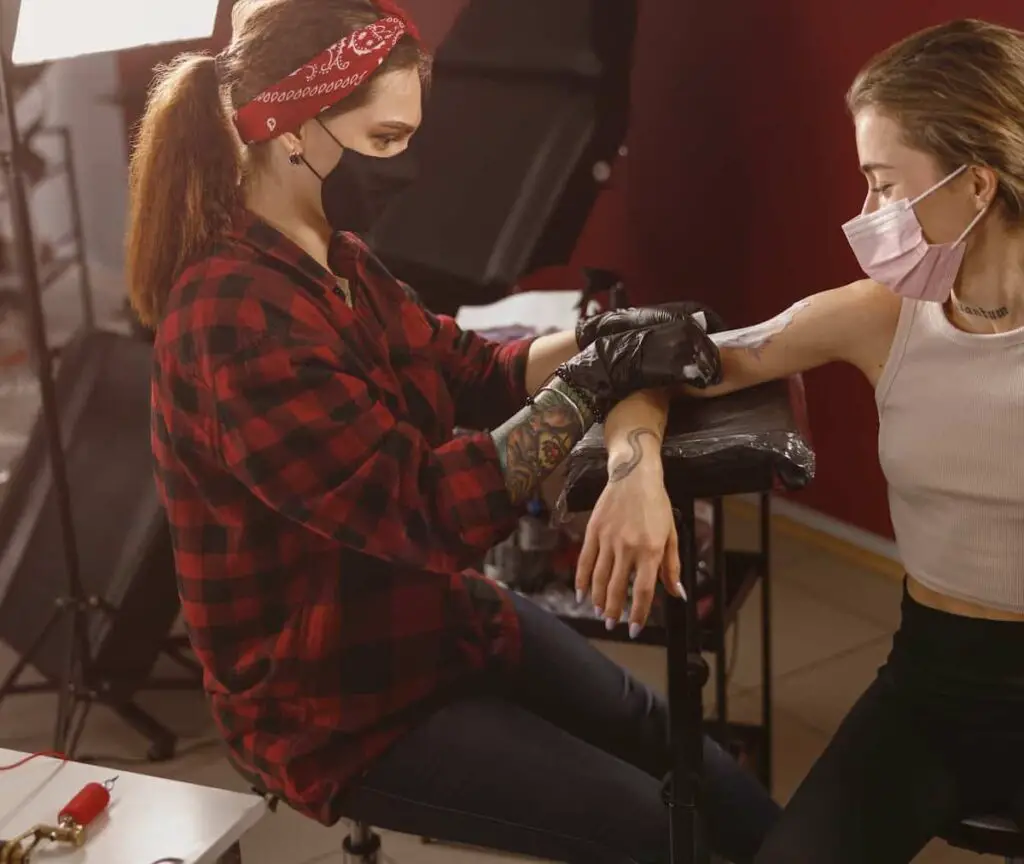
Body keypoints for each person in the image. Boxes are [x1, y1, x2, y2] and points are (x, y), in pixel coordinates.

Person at [124, 1, 780, 861]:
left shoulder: (336, 257)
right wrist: (595, 381)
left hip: (435, 619)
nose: (408, 166)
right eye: (388, 139)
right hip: (338, 703)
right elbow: (426, 510)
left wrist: (596, 338)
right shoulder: (234, 319)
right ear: (293, 129)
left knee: (677, 745)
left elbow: (472, 368)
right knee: (657, 831)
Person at [580, 17, 1024, 864]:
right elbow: (653, 360)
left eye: (885, 184)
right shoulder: (879, 316)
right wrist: (633, 471)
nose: (866, 215)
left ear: (976, 185)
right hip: (930, 689)